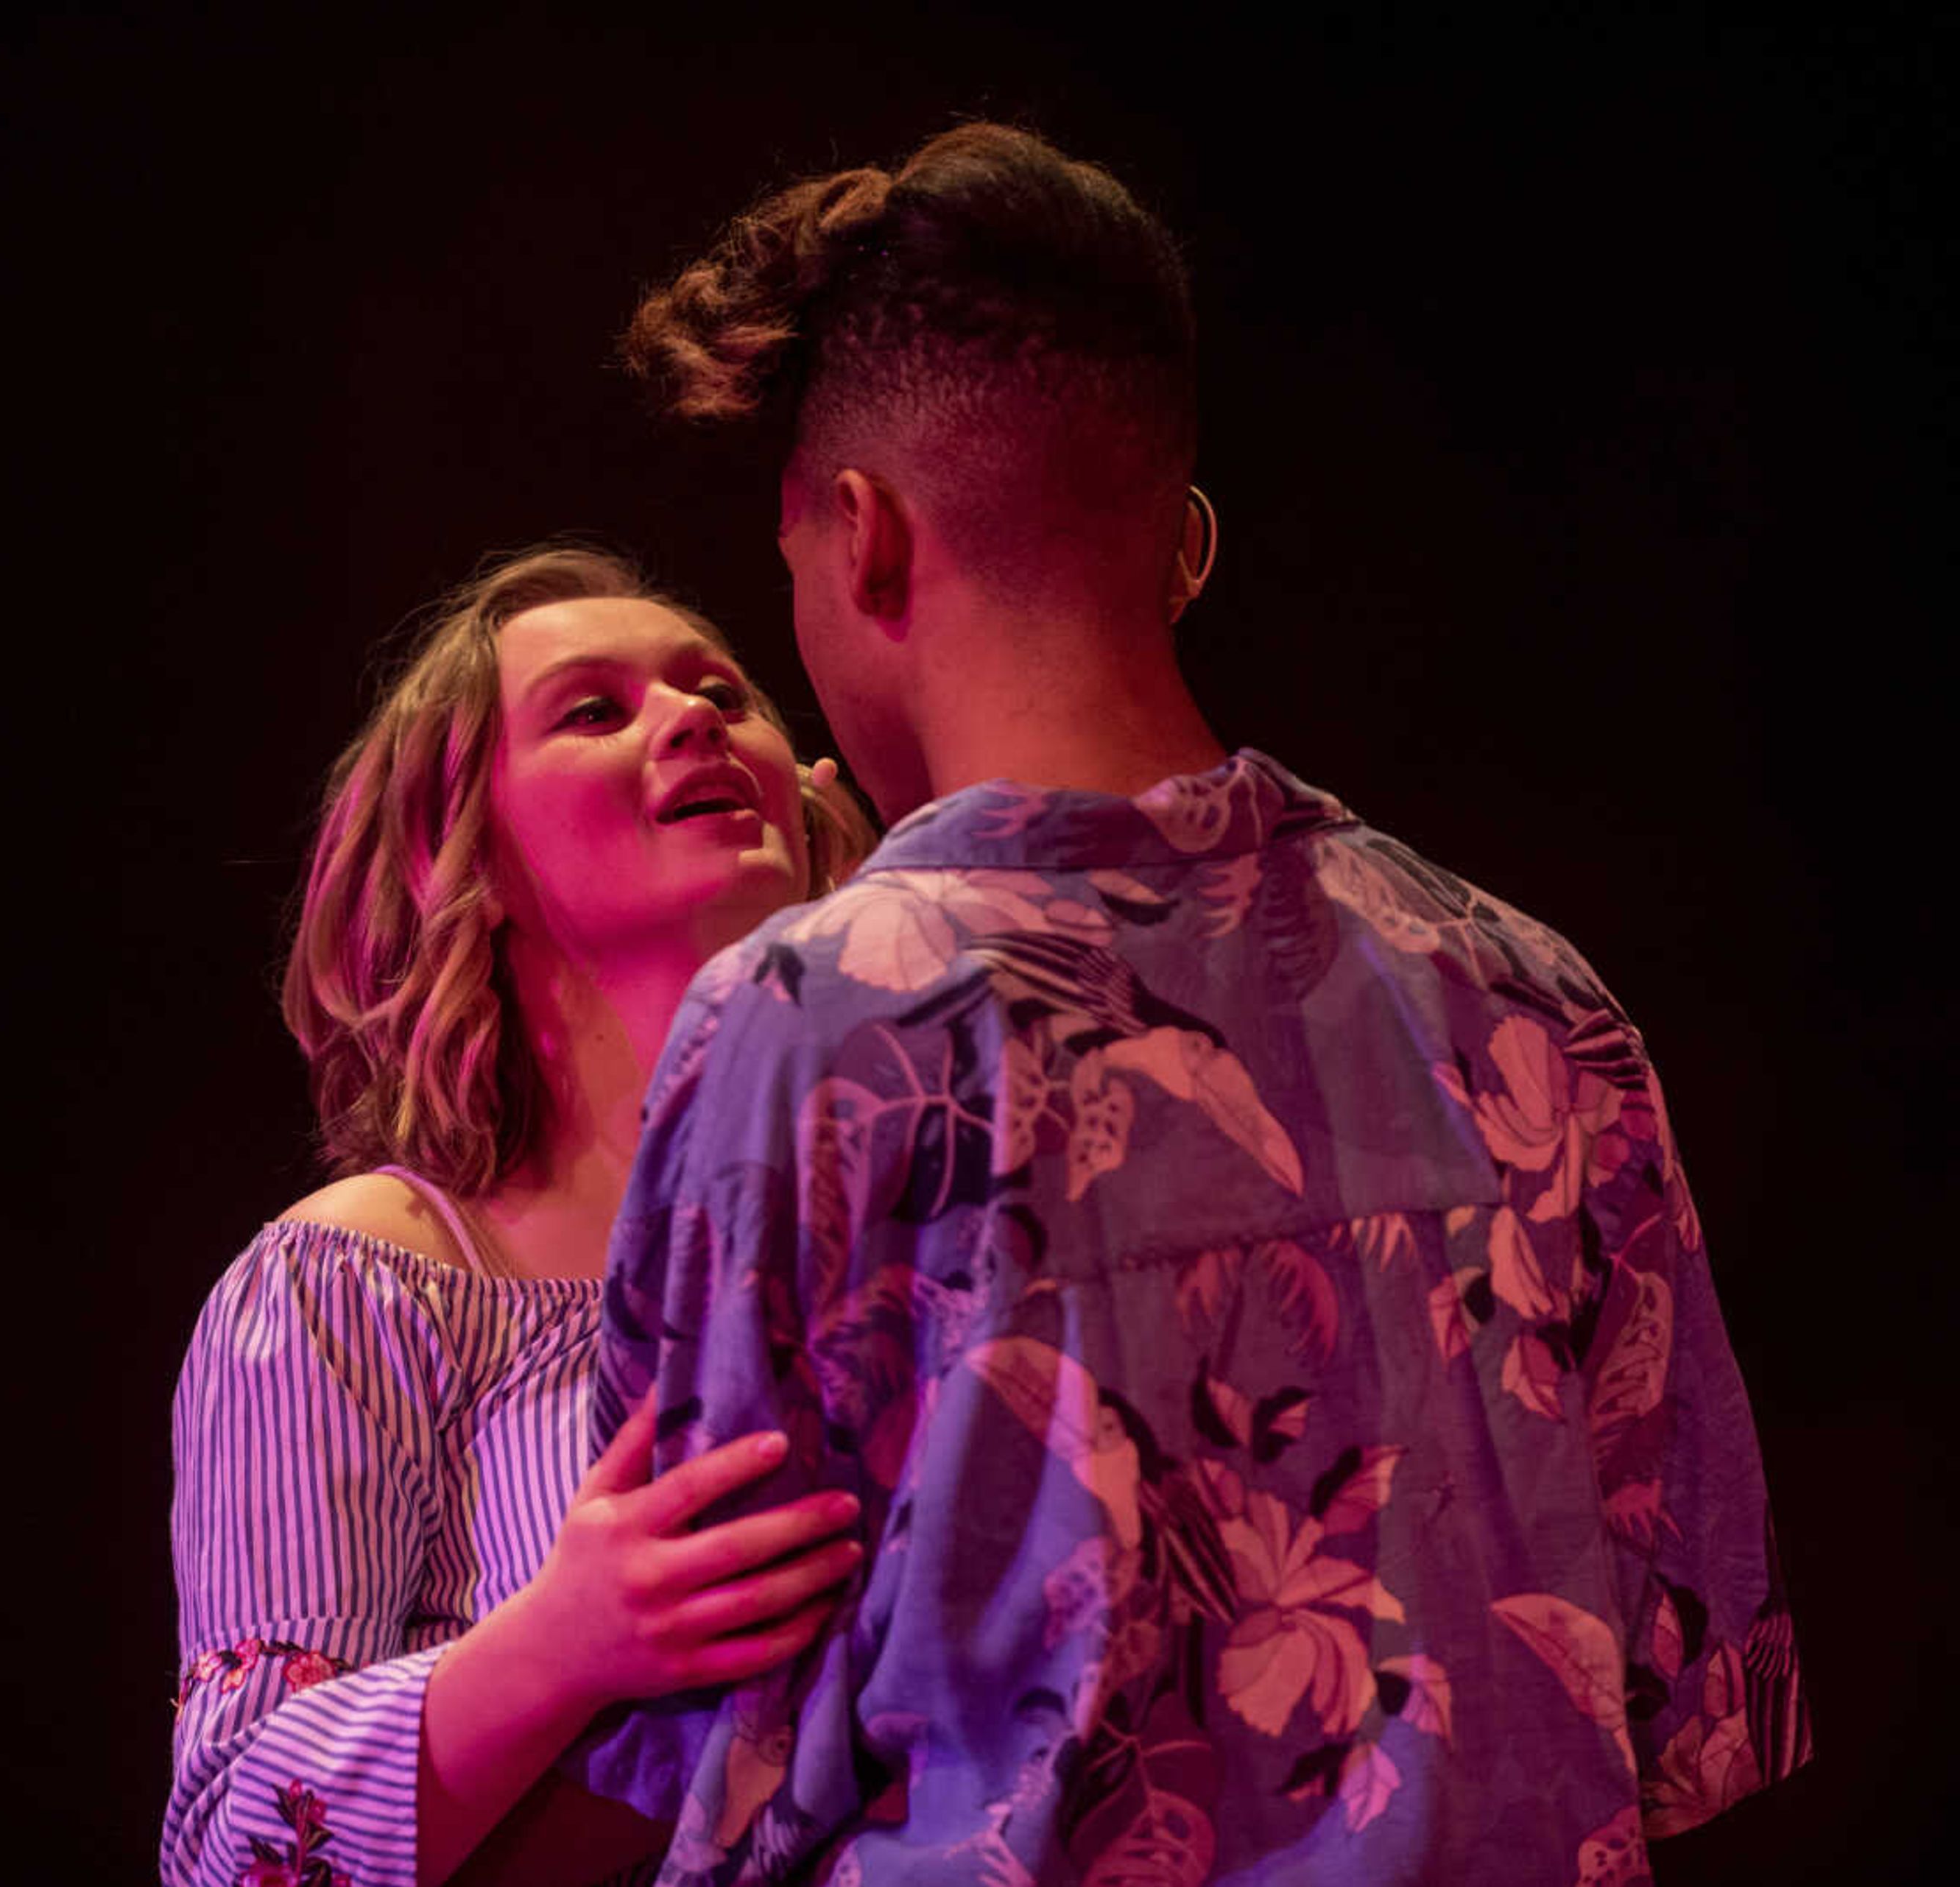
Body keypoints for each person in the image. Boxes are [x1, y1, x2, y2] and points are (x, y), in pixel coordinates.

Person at [564, 123, 1808, 1884]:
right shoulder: (1533, 999)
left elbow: (700, 1738)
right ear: (1180, 536)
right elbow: (1689, 1720)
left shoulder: (810, 1027)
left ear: (861, 538)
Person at [165, 544, 877, 1887]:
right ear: (464, 857)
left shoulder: (899, 1215)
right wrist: (563, 1642)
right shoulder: (357, 1283)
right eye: (595, 711)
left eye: (723, 691)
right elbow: (231, 1852)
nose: (695, 718)